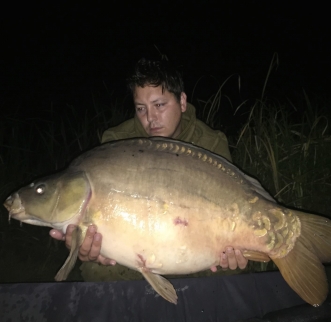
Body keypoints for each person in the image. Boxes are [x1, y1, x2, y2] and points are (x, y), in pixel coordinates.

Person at [50, 59, 248, 281]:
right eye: (141, 109)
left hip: (196, 245)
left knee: (232, 270)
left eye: (160, 105)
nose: (150, 118)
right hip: (138, 249)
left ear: (182, 101)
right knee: (98, 269)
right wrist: (90, 247)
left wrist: (231, 255)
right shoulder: (116, 143)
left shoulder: (210, 144)